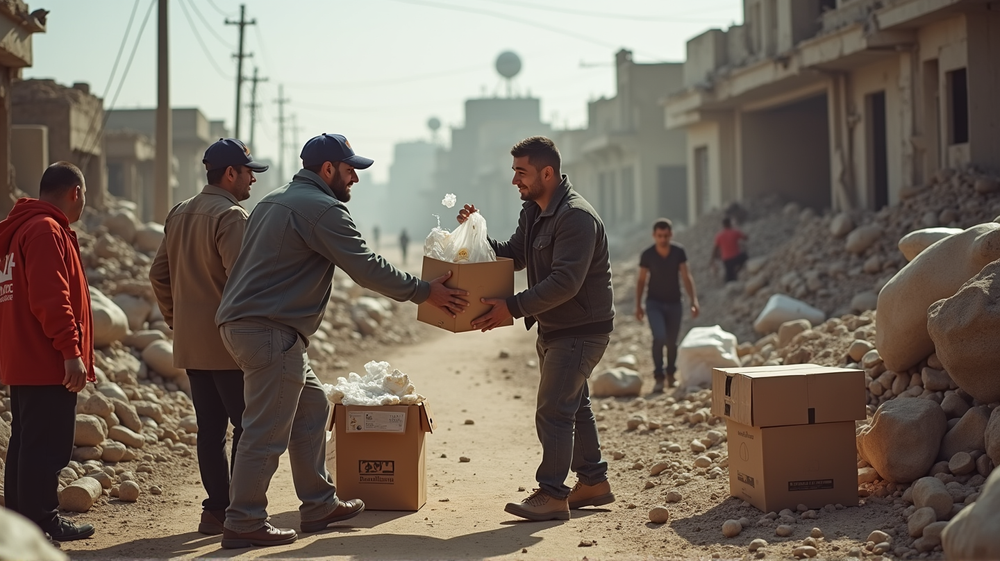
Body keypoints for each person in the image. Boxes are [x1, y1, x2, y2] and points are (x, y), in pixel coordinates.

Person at [215, 133, 469, 548]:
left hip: (248, 325)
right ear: (327, 169)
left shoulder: (275, 199)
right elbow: (367, 268)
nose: (355, 178)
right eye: (350, 170)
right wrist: (425, 291)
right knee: (265, 430)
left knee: (312, 405)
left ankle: (318, 503)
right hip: (269, 329)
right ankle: (243, 520)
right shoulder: (322, 208)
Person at [458, 136, 615, 522]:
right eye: (514, 172)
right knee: (574, 405)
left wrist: (511, 308)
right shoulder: (534, 211)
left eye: (521, 172)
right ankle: (593, 482)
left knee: (553, 409)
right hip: (556, 327)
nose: (515, 181)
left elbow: (565, 283)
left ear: (548, 172)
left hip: (582, 329)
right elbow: (515, 254)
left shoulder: (576, 217)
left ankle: (552, 493)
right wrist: (476, 233)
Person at [149, 138, 267, 536]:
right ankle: (238, 512)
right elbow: (243, 282)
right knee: (248, 429)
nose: (253, 179)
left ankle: (215, 510)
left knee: (211, 431)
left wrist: (175, 319)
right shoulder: (232, 217)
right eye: (249, 171)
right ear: (230, 173)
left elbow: (158, 275)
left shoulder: (180, 212)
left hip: (192, 345)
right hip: (229, 345)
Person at [0, 162, 96, 542]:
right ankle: (41, 524)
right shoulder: (45, 230)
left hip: (22, 357)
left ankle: (22, 527)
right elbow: (51, 298)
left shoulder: (21, 228)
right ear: (75, 192)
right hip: (45, 359)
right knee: (46, 447)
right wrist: (71, 351)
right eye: (84, 195)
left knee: (26, 443)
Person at [635, 219, 700, 393]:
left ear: (671, 235)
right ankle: (658, 377)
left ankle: (671, 375)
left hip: (674, 303)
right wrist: (638, 305)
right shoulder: (647, 254)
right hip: (654, 303)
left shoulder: (679, 252)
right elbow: (641, 280)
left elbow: (686, 277)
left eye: (665, 236)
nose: (663, 239)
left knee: (672, 342)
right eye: (659, 236)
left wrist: (694, 300)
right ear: (654, 236)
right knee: (659, 337)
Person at [711, 216, 749, 282]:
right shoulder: (735, 232)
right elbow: (746, 238)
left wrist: (712, 260)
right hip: (737, 257)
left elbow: (715, 249)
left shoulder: (719, 235)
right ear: (730, 223)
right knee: (745, 257)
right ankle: (739, 270)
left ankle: (730, 281)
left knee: (730, 277)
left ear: (723, 225)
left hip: (727, 260)